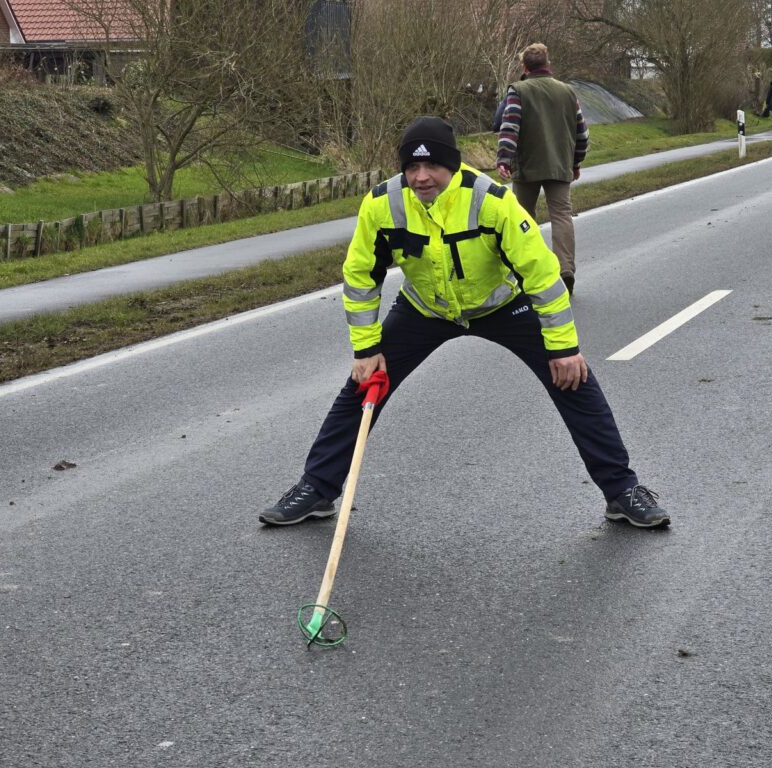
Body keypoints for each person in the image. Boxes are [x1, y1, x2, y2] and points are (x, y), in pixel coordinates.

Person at [260, 116, 670, 530]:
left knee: (573, 378)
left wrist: (564, 348)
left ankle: (622, 491)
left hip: (502, 304)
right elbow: (361, 276)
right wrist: (366, 350)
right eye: (412, 168)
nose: (421, 178)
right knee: (365, 385)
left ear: (452, 166)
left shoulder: (490, 200)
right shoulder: (382, 203)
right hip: (427, 308)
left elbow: (542, 274)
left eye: (432, 167)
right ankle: (316, 489)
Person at [496, 43, 587, 296]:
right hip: (560, 163)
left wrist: (504, 159)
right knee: (561, 215)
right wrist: (576, 162)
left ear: (524, 67)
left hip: (527, 166)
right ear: (548, 64)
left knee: (524, 218)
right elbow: (582, 132)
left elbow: (509, 127)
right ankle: (565, 269)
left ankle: (532, 273)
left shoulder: (518, 90)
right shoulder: (568, 91)